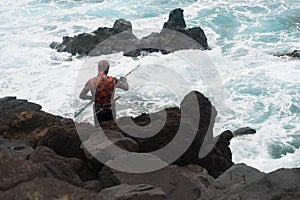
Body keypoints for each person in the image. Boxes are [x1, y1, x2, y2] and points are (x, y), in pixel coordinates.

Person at [79, 60, 129, 126]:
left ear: (98, 68)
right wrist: (124, 80)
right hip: (110, 109)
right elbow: (126, 88)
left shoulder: (91, 81)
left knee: (98, 131)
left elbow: (82, 96)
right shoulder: (112, 80)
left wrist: (93, 98)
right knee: (112, 130)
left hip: (97, 110)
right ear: (107, 69)